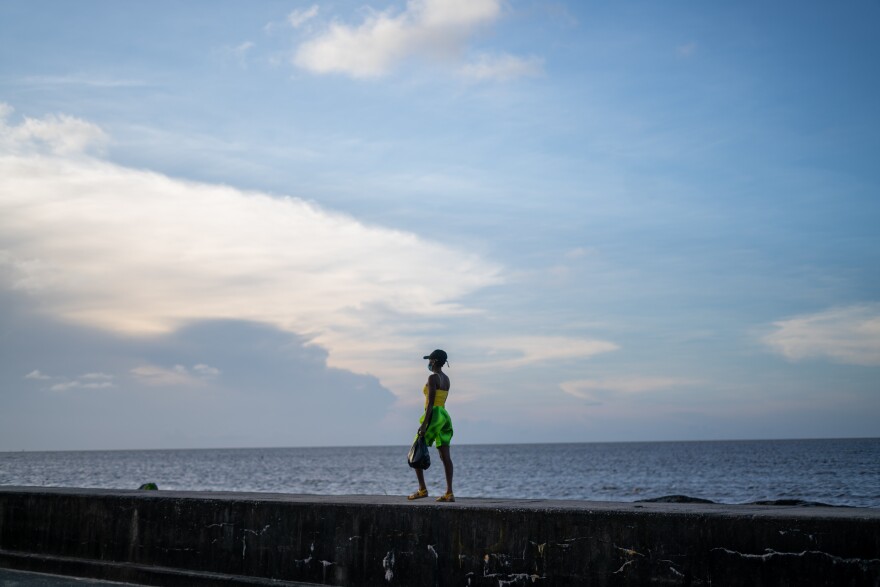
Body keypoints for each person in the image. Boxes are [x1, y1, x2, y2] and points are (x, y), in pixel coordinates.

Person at [408, 349, 454, 502]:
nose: (428, 363)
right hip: (444, 416)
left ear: (433, 361)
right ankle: (449, 493)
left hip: (434, 415)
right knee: (445, 456)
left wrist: (424, 424)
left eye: (429, 360)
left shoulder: (433, 378)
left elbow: (431, 403)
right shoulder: (446, 379)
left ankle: (422, 489)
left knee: (417, 448)